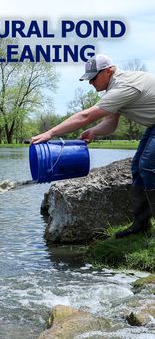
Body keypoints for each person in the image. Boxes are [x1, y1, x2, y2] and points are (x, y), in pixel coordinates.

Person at [31, 54, 155, 238]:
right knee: (137, 167)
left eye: (93, 78)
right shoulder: (114, 88)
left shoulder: (124, 86)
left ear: (108, 71)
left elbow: (85, 116)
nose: (90, 83)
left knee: (148, 166)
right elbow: (111, 123)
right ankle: (141, 224)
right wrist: (94, 131)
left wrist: (51, 133)